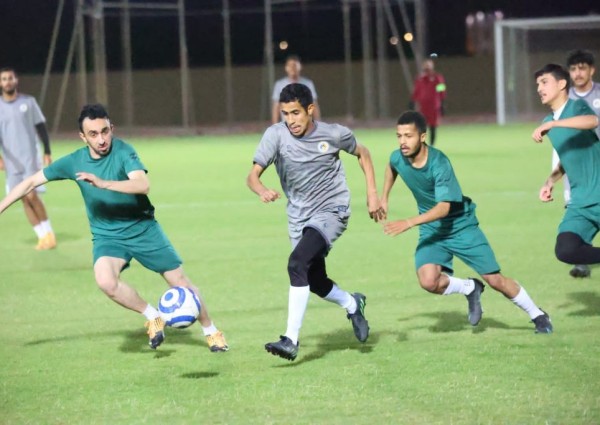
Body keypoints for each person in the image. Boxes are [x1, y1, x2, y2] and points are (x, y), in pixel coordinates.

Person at [0, 104, 228, 352]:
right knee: (106, 281)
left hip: (143, 229)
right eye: (93, 134)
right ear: (83, 137)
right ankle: (153, 316)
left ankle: (211, 331)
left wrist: (103, 183)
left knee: (180, 282)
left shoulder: (123, 151)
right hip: (107, 236)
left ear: (112, 128)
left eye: (105, 131)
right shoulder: (74, 161)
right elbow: (31, 182)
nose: (101, 139)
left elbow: (142, 185)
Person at [381, 111, 552, 334]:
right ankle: (470, 288)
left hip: (460, 226)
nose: (403, 142)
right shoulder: (398, 157)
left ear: (422, 137)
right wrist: (383, 197)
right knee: (428, 281)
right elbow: (392, 166)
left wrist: (409, 222)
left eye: (408, 136)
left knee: (495, 280)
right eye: (399, 136)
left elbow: (444, 208)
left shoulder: (439, 163)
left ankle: (538, 315)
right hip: (432, 229)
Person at [248, 83, 384, 361]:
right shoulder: (275, 135)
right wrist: (261, 190)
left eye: (296, 113)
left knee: (296, 263)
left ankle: (290, 340)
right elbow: (252, 176)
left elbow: (364, 153)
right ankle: (352, 304)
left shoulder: (333, 134)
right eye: (286, 114)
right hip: (299, 217)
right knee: (314, 280)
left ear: (310, 110)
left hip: (332, 210)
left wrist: (372, 194)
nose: (291, 120)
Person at [533, 64, 600, 273]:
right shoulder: (548, 122)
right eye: (537, 84)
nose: (539, 88)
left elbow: (593, 120)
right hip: (581, 203)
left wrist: (554, 125)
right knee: (566, 250)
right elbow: (567, 157)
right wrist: (550, 181)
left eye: (544, 82)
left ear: (562, 84)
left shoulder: (576, 107)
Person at [0, 67, 56, 250]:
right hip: (11, 163)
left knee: (32, 195)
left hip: (30, 158)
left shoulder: (28, 102)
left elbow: (41, 127)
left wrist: (47, 151)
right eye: (4, 79)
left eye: (10, 78)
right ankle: (42, 237)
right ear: (0, 83)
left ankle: (49, 234)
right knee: (23, 198)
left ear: (16, 80)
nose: (7, 82)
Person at [271, 55, 321, 125]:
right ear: (286, 68)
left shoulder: (308, 84)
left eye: (295, 65)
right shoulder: (279, 85)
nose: (292, 68)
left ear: (300, 66)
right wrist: (275, 126)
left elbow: (314, 105)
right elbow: (276, 107)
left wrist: (318, 124)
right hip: (287, 125)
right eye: (290, 65)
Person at [409, 59, 446, 146]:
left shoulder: (437, 78)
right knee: (420, 126)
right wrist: (412, 101)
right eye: (425, 68)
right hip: (423, 107)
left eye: (428, 68)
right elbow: (416, 91)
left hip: (434, 106)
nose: (427, 70)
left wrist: (442, 103)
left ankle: (431, 145)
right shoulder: (420, 79)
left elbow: (441, 90)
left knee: (433, 126)